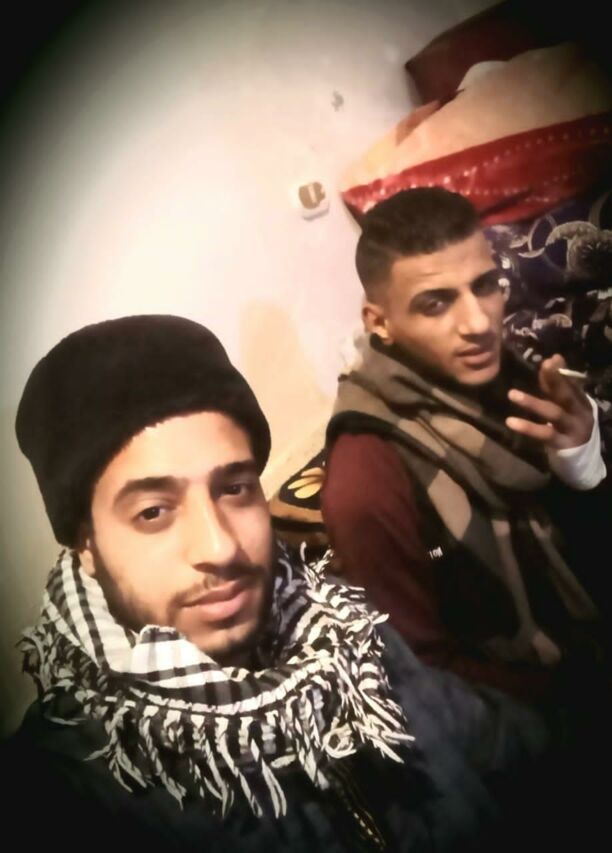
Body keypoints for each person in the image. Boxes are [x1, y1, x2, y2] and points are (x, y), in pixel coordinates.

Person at [1, 314, 550, 852]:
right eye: (152, 512)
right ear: (86, 544)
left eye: (234, 488)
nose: (220, 547)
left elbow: (506, 743)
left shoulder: (345, 631)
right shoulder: (57, 798)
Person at [322, 187, 612, 709]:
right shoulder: (367, 479)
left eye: (485, 286)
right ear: (379, 323)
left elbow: (598, 555)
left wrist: (582, 462)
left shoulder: (512, 376)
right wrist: (598, 703)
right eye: (436, 303)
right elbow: (424, 673)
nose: (478, 323)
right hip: (539, 717)